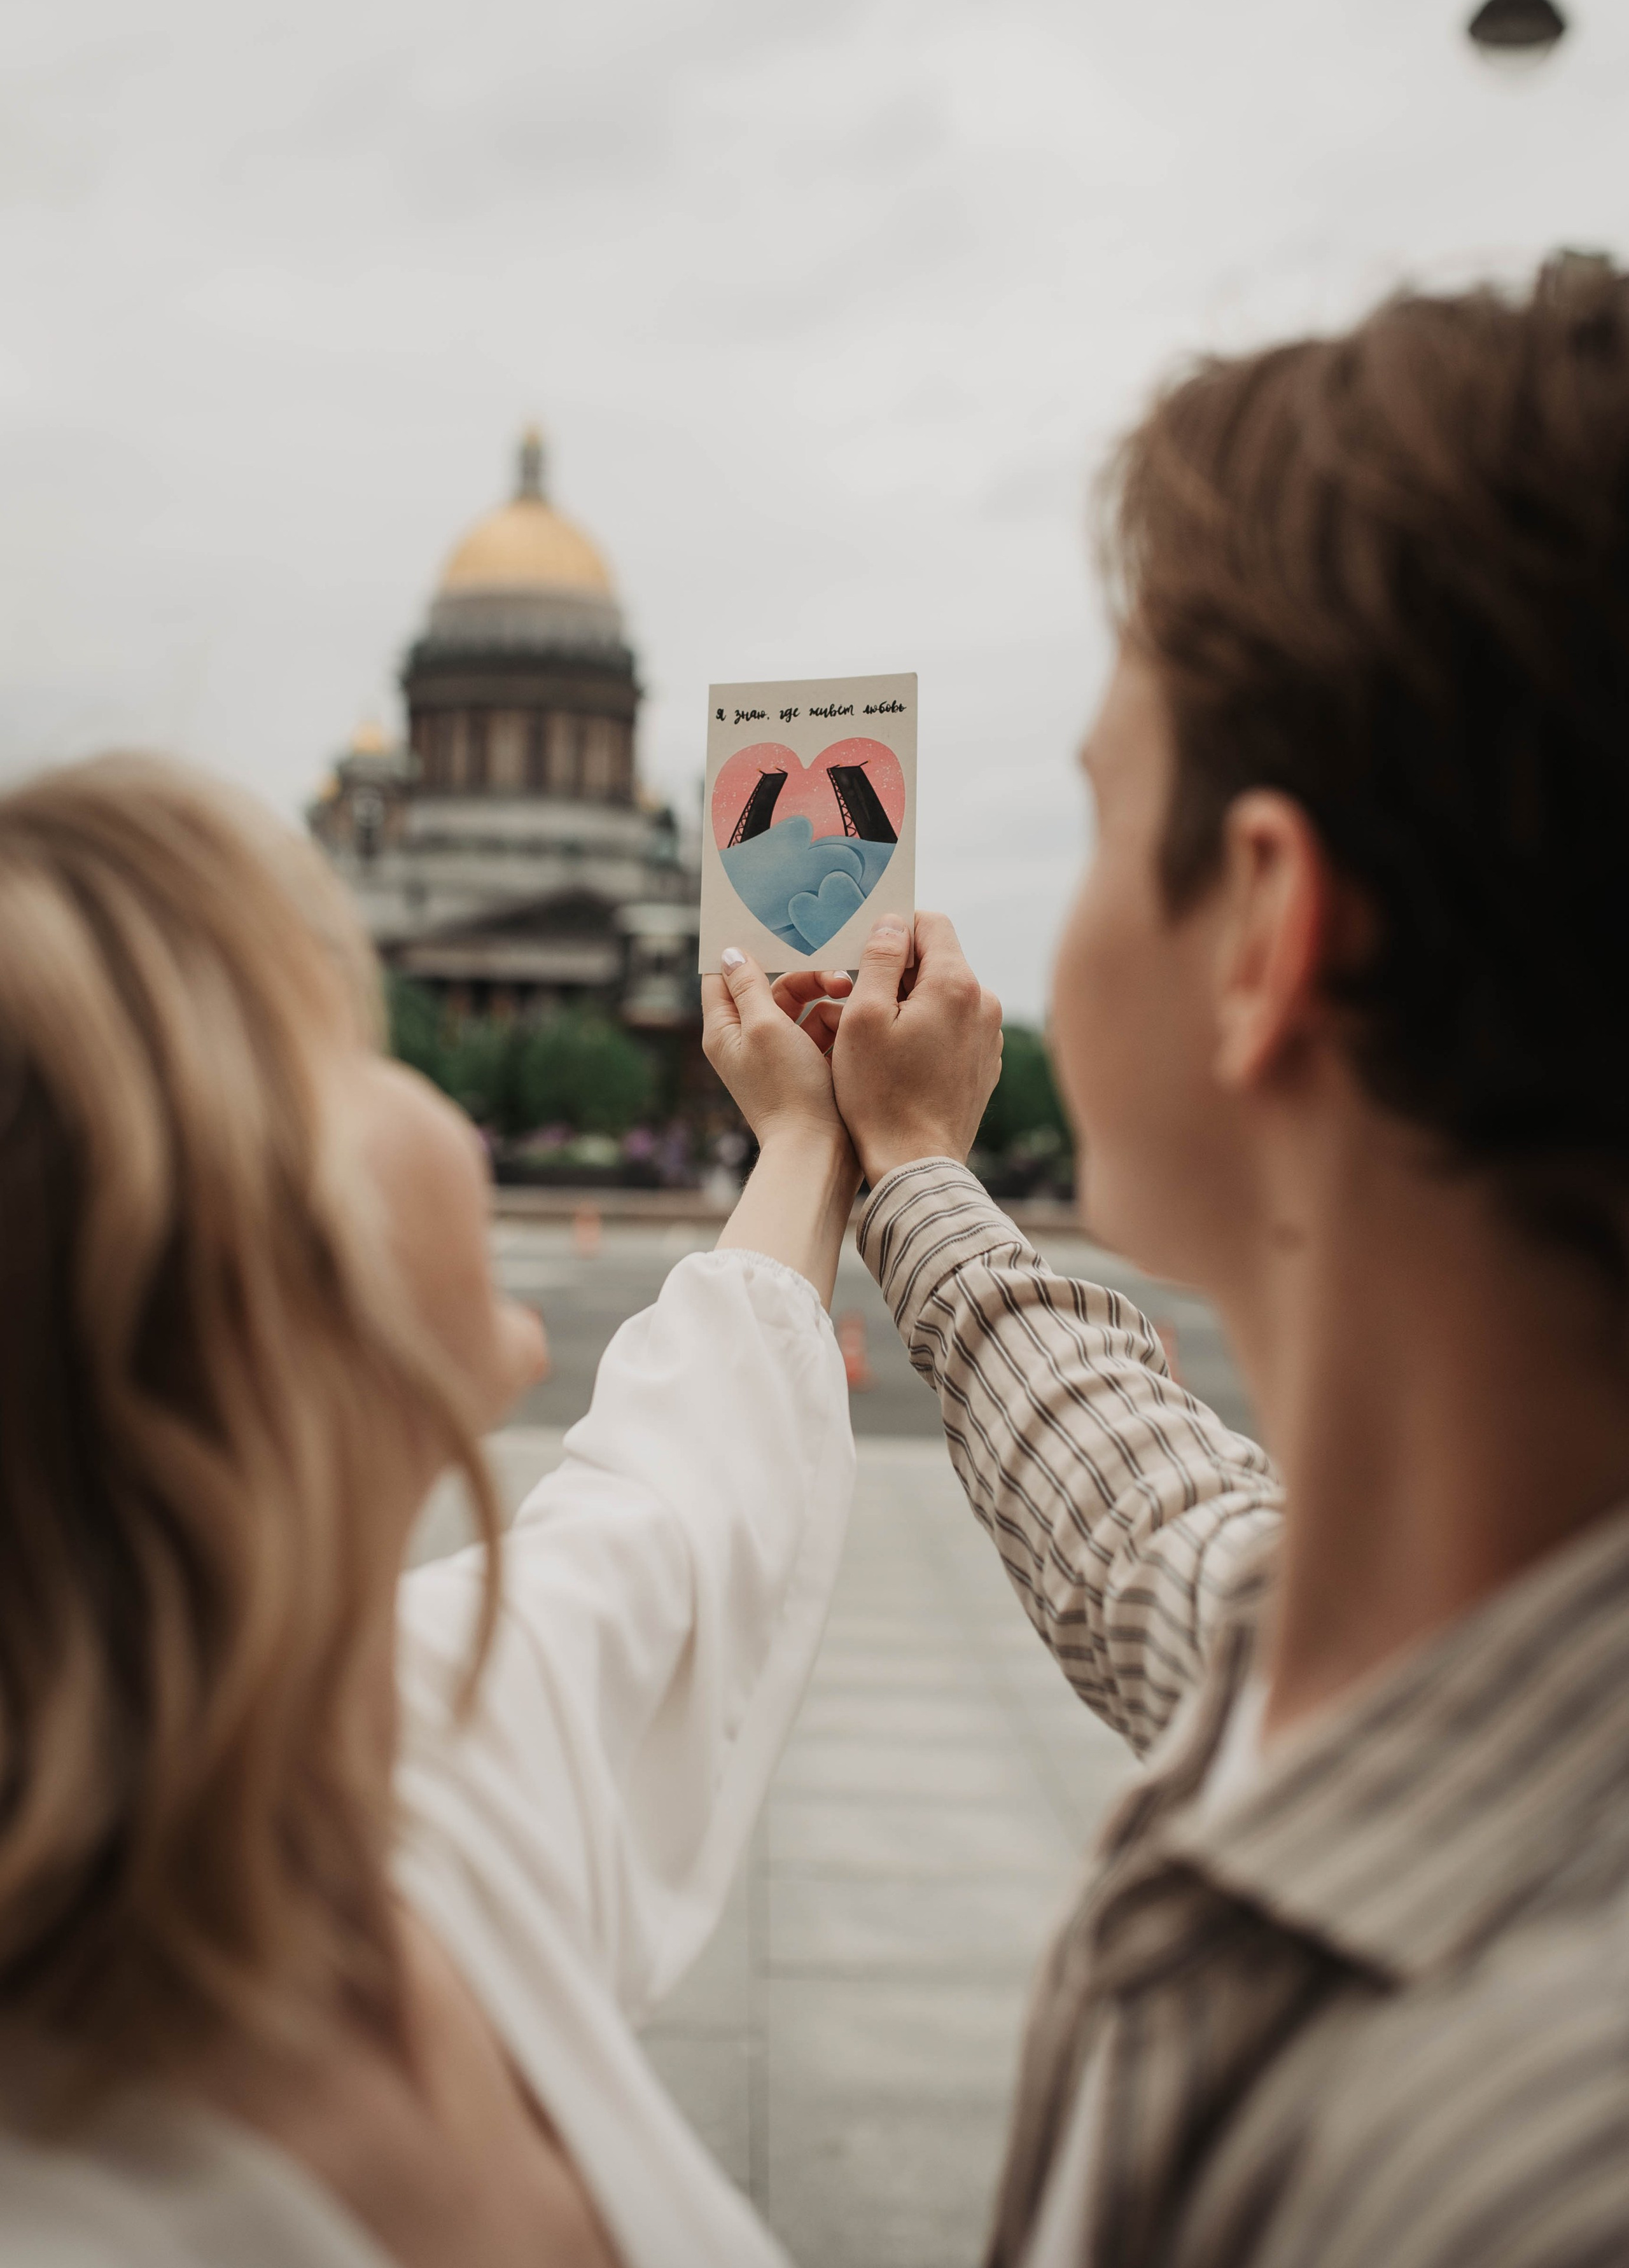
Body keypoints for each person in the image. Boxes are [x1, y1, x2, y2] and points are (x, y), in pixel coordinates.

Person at [722, 258, 1629, 2266]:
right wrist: (910, 1171)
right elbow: (1154, 1522)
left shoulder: (1520, 2157)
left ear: (1262, 926)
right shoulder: (1372, 1641)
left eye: (1102, 810)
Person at [0, 753, 867, 2267]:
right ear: (223, 1271)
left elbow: (682, 1491)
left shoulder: (356, 1745)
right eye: (330, 1033)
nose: (413, 1065)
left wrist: (809, 1135)